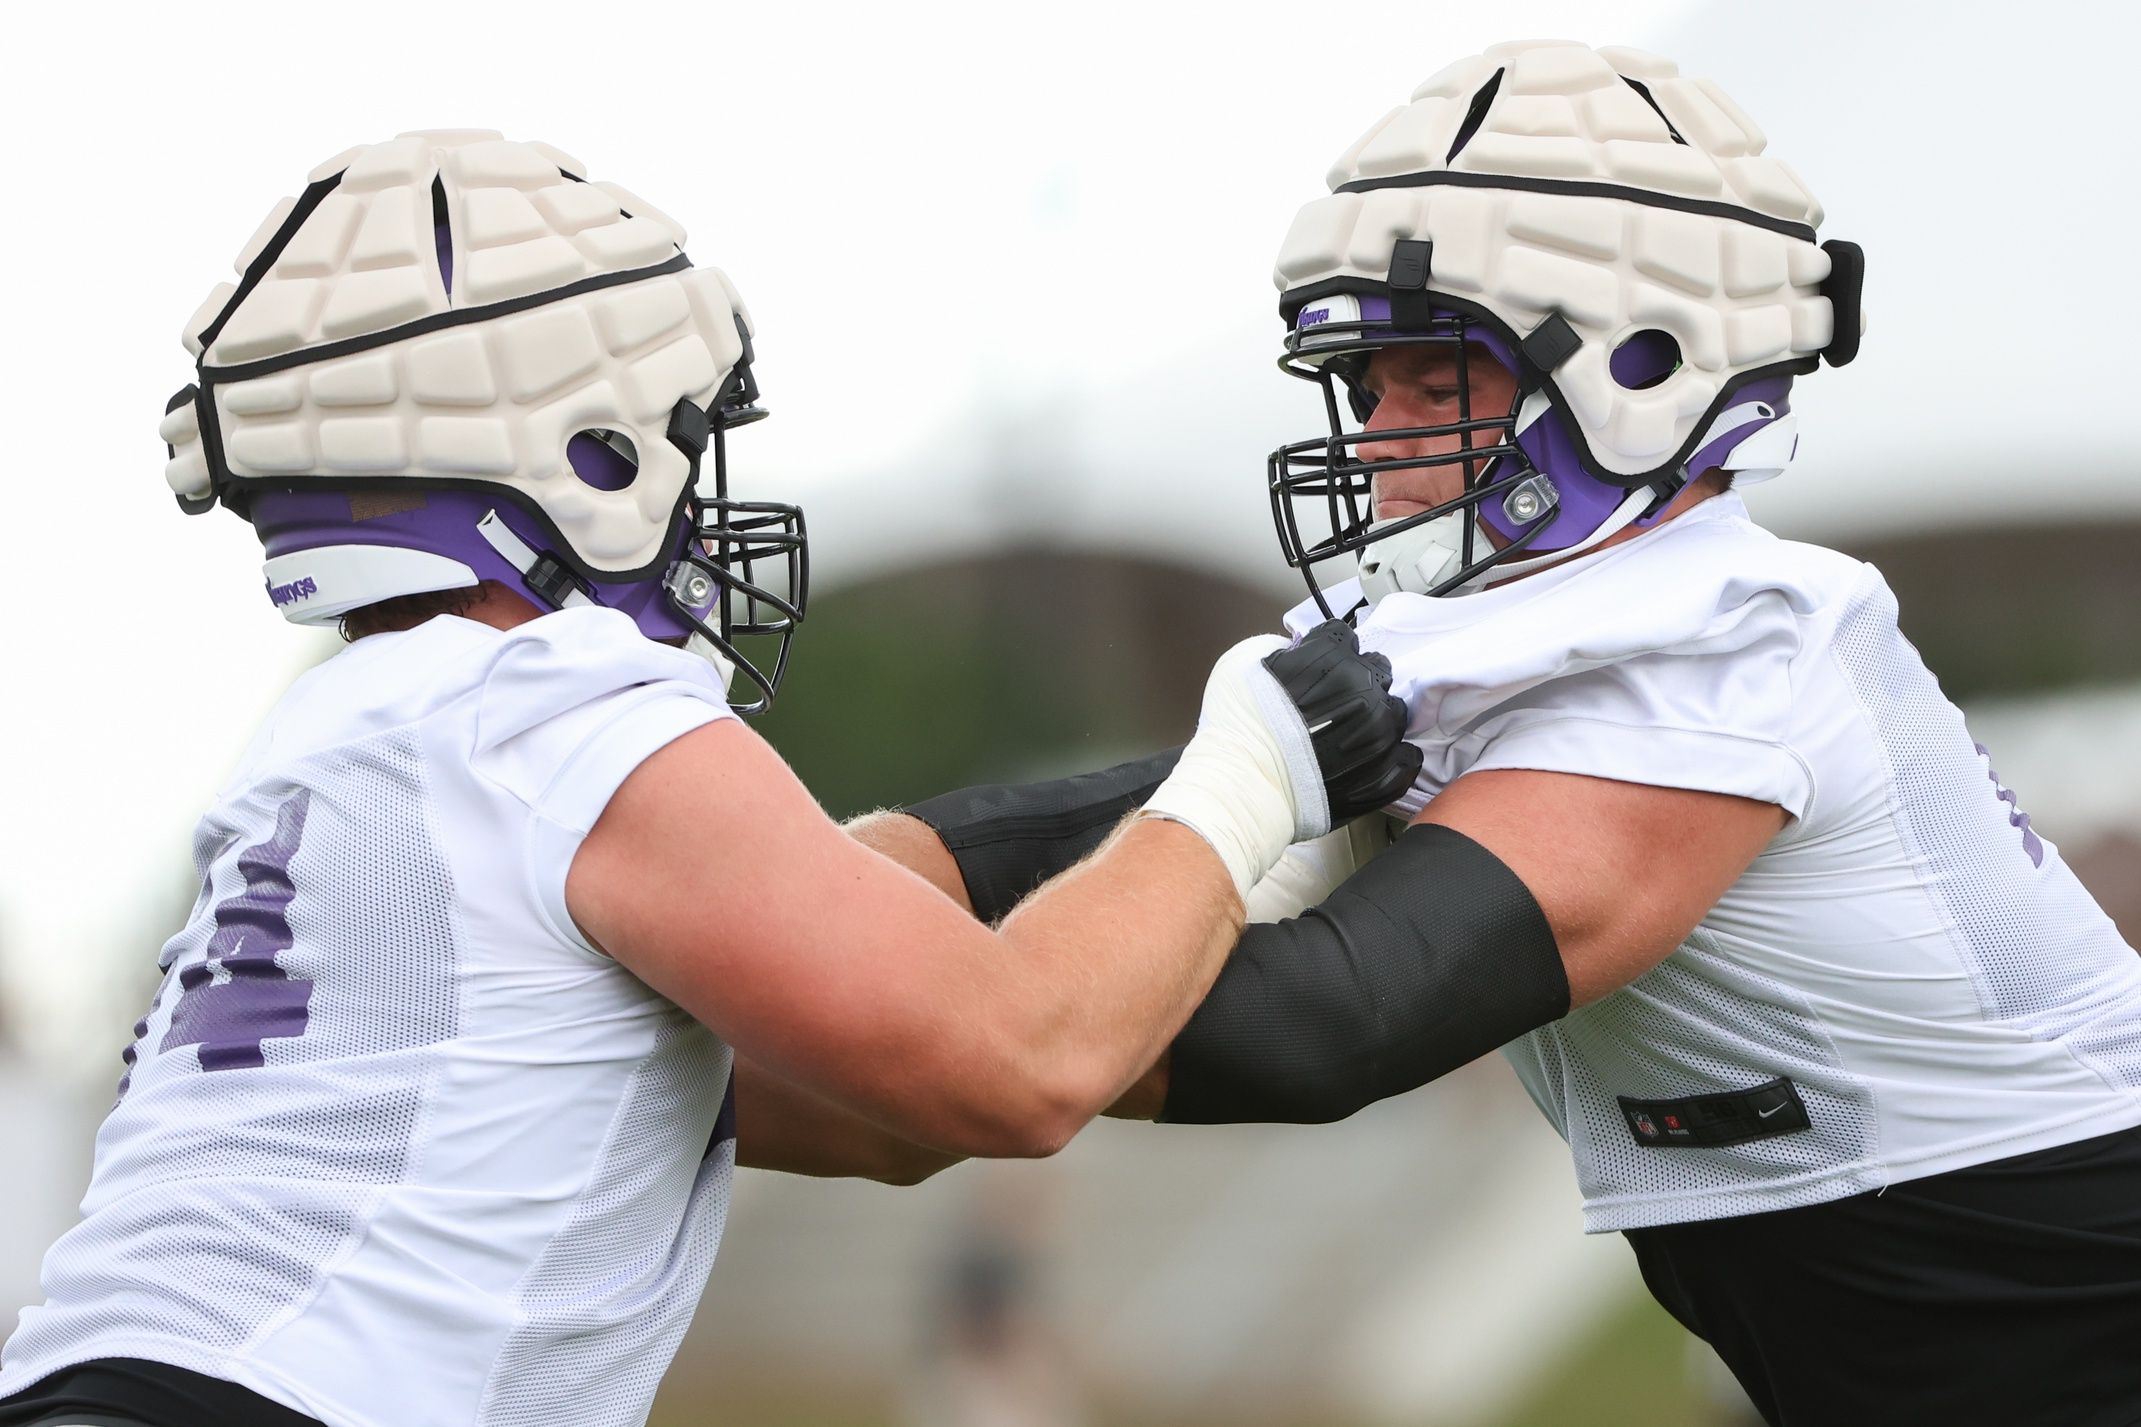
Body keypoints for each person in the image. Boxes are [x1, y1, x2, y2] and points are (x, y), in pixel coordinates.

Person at [0, 130, 1422, 1427]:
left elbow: (867, 1113)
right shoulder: (549, 702)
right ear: (582, 446)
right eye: (683, 437)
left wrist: (1171, 852)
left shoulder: (329, 748)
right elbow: (1013, 1063)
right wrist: (1248, 776)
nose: (702, 490)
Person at [862, 41, 2141, 1426]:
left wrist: (933, 1013)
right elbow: (1050, 848)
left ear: (1642, 371)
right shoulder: (1504, 631)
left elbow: (1321, 1026)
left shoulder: (1732, 645)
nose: (1373, 439)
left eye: (1434, 382)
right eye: (1366, 386)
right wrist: (759, 916)